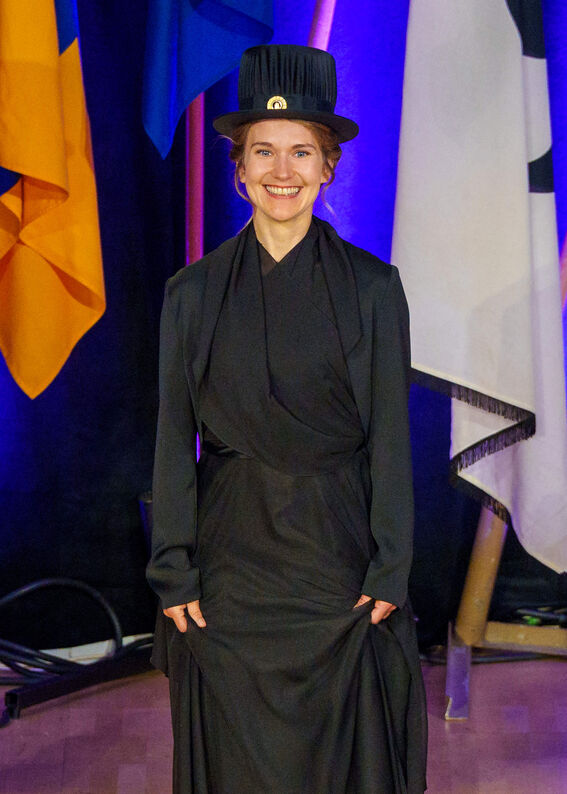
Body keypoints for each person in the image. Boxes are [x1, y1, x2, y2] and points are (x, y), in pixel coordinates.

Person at [147, 44, 427, 794]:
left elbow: (390, 440)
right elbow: (172, 442)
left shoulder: (375, 289)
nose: (282, 170)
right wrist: (173, 571)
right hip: (230, 565)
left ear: (328, 166)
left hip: (338, 560)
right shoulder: (190, 294)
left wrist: (390, 567)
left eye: (301, 151)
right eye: (262, 151)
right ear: (238, 168)